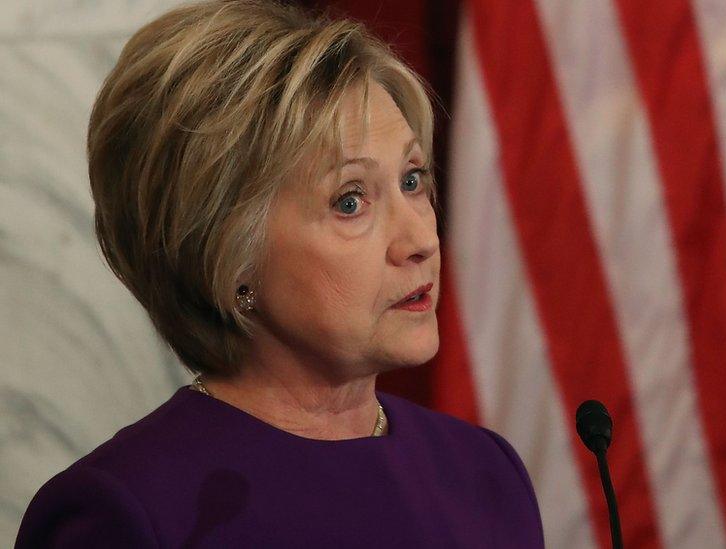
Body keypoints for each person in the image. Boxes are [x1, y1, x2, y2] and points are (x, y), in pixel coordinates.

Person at [15, 1, 545, 547]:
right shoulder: (127, 515)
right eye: (350, 201)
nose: (420, 241)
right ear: (228, 255)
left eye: (412, 180)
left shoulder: (485, 473)